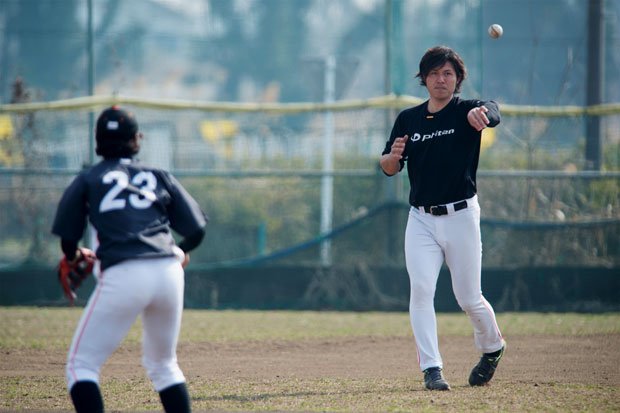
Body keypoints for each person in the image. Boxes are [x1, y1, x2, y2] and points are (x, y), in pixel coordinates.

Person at [51, 106, 208, 412]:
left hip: (125, 272)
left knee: (80, 366)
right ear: (137, 139)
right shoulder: (157, 174)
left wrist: (73, 255)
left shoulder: (89, 178)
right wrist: (176, 252)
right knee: (164, 366)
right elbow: (197, 230)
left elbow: (68, 239)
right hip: (168, 272)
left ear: (97, 141)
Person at [380, 46, 505, 391]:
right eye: (434, 73)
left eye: (447, 73)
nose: (440, 79)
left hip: (461, 216)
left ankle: (492, 348)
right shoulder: (409, 119)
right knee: (421, 290)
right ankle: (432, 369)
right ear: (424, 79)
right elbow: (389, 167)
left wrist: (484, 116)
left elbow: (493, 111)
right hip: (421, 219)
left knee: (469, 298)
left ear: (458, 79)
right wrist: (391, 158)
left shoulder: (466, 111)